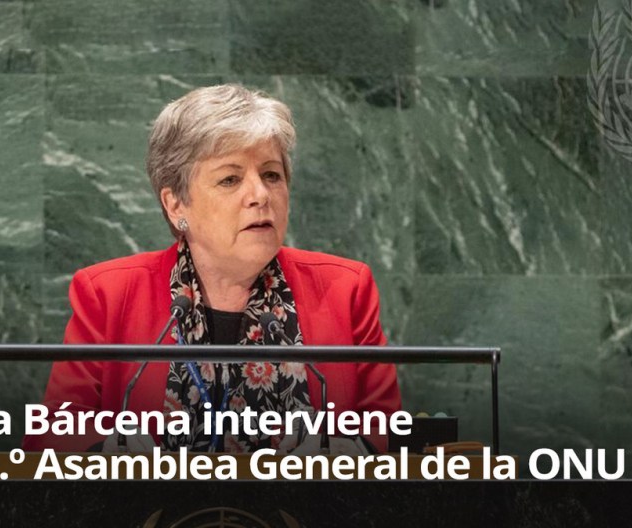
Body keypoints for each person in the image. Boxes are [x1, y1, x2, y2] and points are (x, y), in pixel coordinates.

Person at [23, 84, 400, 454]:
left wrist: (350, 451)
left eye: (271, 175)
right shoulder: (109, 294)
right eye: (230, 179)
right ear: (176, 204)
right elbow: (49, 441)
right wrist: (102, 451)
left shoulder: (345, 289)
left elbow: (388, 435)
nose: (260, 195)